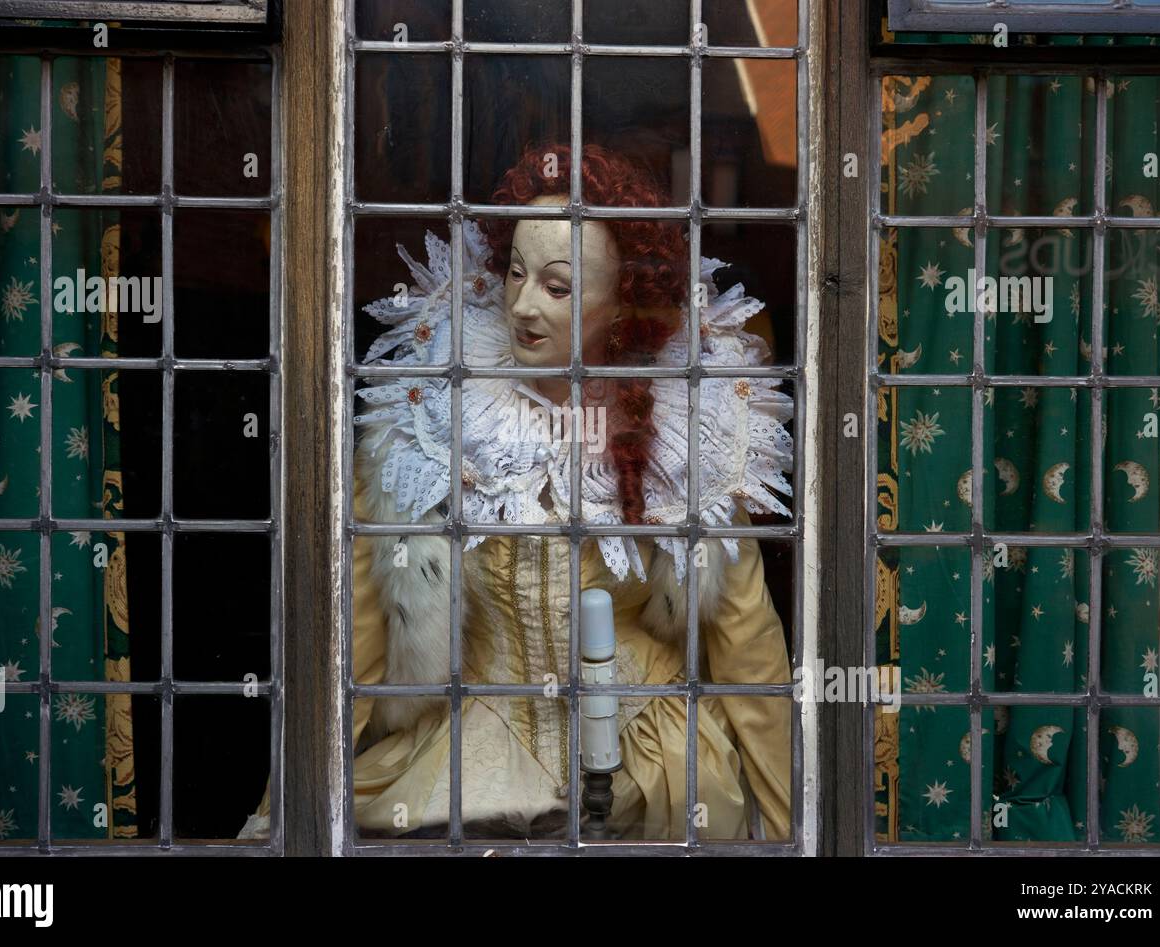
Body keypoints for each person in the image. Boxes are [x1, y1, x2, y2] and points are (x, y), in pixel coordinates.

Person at [240, 143, 794, 841]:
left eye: (558, 287)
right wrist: (280, 812)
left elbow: (748, 648)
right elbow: (358, 627)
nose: (523, 304)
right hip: (465, 760)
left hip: (654, 777)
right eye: (515, 272)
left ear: (621, 308)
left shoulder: (690, 429)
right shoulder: (428, 416)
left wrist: (793, 836)